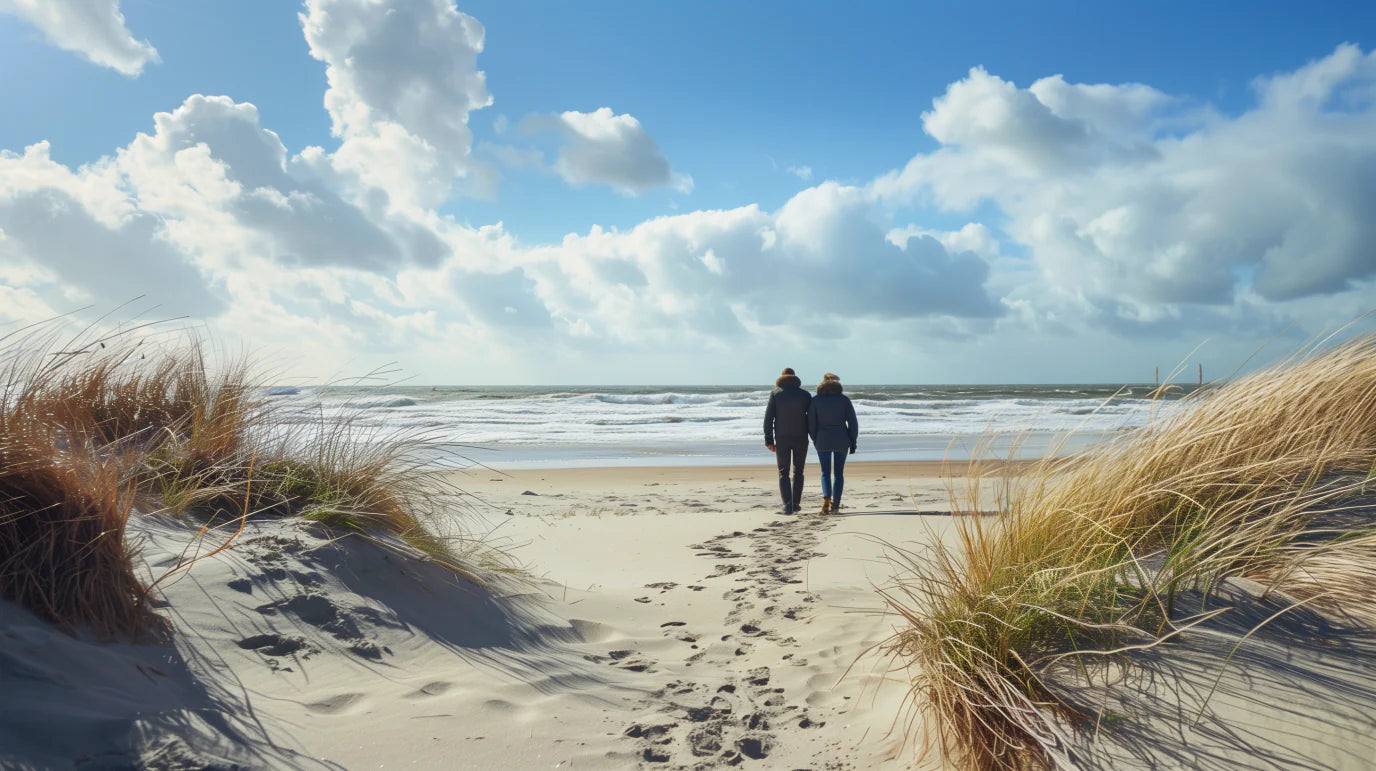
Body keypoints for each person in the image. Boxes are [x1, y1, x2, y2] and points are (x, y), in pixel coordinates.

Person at [808, 372, 858, 515]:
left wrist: (815, 438)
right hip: (842, 439)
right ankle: (836, 505)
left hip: (822, 440)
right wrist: (852, 440)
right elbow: (853, 423)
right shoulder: (844, 400)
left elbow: (811, 423)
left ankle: (826, 500)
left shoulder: (815, 400)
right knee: (838, 473)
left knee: (825, 472)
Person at [763, 367, 811, 514]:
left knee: (783, 472)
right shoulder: (805, 395)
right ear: (795, 378)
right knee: (799, 471)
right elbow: (812, 418)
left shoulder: (776, 394)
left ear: (781, 377)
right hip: (801, 437)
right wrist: (814, 435)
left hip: (782, 438)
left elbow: (768, 418)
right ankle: (796, 503)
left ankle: (787, 504)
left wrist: (768, 439)